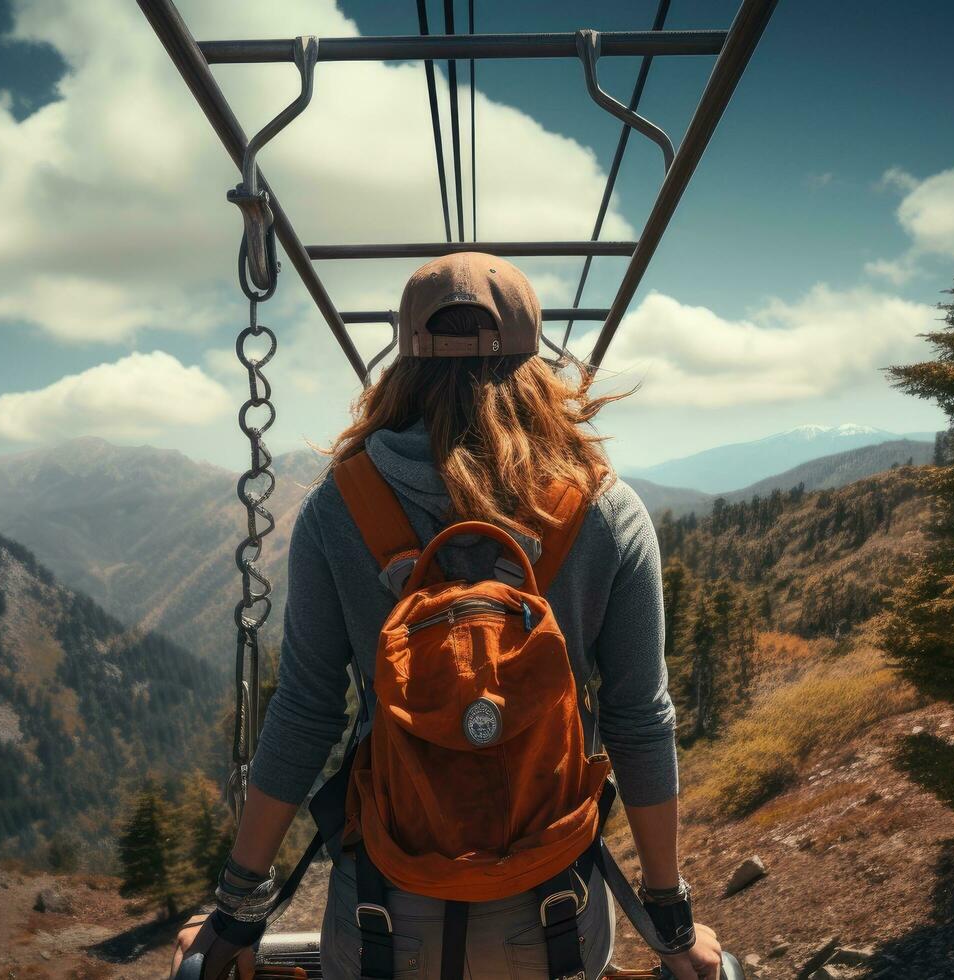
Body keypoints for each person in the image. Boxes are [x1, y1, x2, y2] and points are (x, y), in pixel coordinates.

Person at [172, 253, 724, 980]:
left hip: (383, 913)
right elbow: (638, 718)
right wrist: (670, 916)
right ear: (534, 360)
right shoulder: (603, 510)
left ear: (404, 359)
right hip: (552, 912)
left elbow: (307, 712)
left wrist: (241, 906)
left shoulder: (341, 508)